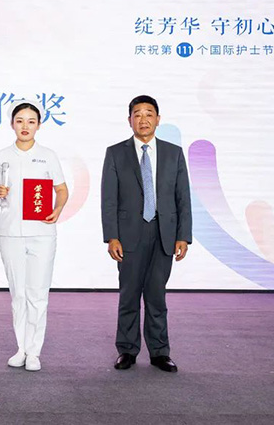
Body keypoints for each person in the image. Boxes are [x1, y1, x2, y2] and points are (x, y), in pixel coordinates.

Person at [101, 95, 191, 373]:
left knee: (156, 296)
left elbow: (183, 197)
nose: (143, 119)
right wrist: (112, 236)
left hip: (164, 233)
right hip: (128, 234)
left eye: (148, 114)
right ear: (129, 120)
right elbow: (109, 199)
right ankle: (127, 350)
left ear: (158, 119)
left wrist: (183, 236)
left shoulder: (174, 153)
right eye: (137, 114)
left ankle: (160, 352)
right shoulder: (116, 153)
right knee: (129, 295)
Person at [0, 100, 68, 372]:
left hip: (42, 233)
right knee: (18, 294)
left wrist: (57, 209)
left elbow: (62, 190)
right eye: (20, 120)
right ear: (12, 124)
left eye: (31, 121)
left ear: (39, 125)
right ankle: (21, 348)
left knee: (38, 293)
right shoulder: (1, 156)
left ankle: (34, 352)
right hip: (10, 232)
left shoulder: (48, 156)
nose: (25, 126)